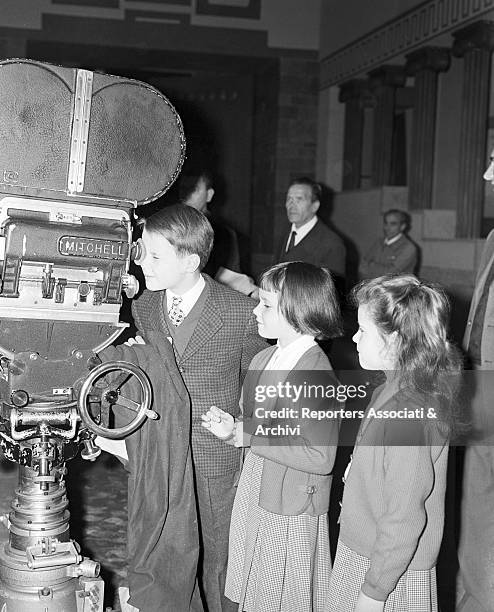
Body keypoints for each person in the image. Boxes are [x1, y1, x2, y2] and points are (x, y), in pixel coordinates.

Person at [132, 204, 268, 612]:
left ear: (190, 261)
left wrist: (240, 431)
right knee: (168, 556)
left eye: (156, 257)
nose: (144, 264)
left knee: (219, 561)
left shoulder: (241, 313)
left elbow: (259, 389)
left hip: (214, 460)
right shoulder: (144, 306)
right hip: (161, 460)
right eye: (142, 252)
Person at [201, 261, 342, 611]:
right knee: (257, 590)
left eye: (265, 304)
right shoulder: (266, 357)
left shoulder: (315, 373)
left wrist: (248, 434)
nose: (255, 309)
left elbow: (320, 457)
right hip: (256, 484)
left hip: (290, 503)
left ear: (297, 312)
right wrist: (233, 427)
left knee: (282, 597)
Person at [325, 275, 462, 612]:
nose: (354, 338)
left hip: (388, 571)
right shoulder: (388, 389)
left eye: (364, 331)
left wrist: (373, 594)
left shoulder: (408, 414)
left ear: (396, 340)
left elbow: (403, 518)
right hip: (365, 550)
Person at [456, 148, 494, 612]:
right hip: (480, 384)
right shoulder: (491, 238)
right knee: (475, 502)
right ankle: (475, 599)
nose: (487, 173)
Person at [180, 170, 259, 298]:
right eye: (184, 188)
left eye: (195, 189)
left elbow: (233, 278)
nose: (187, 194)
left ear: (209, 195)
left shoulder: (223, 234)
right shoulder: (168, 226)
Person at [276, 177, 346, 283]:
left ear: (314, 206)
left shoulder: (332, 244)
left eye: (299, 199)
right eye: (289, 199)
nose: (291, 205)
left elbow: (330, 294)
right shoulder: (285, 233)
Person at [358, 209, 418, 280]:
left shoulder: (409, 248)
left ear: (402, 227)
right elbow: (361, 267)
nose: (387, 228)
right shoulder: (378, 242)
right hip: (372, 288)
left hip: (395, 290)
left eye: (393, 224)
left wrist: (370, 266)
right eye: (386, 223)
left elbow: (390, 274)